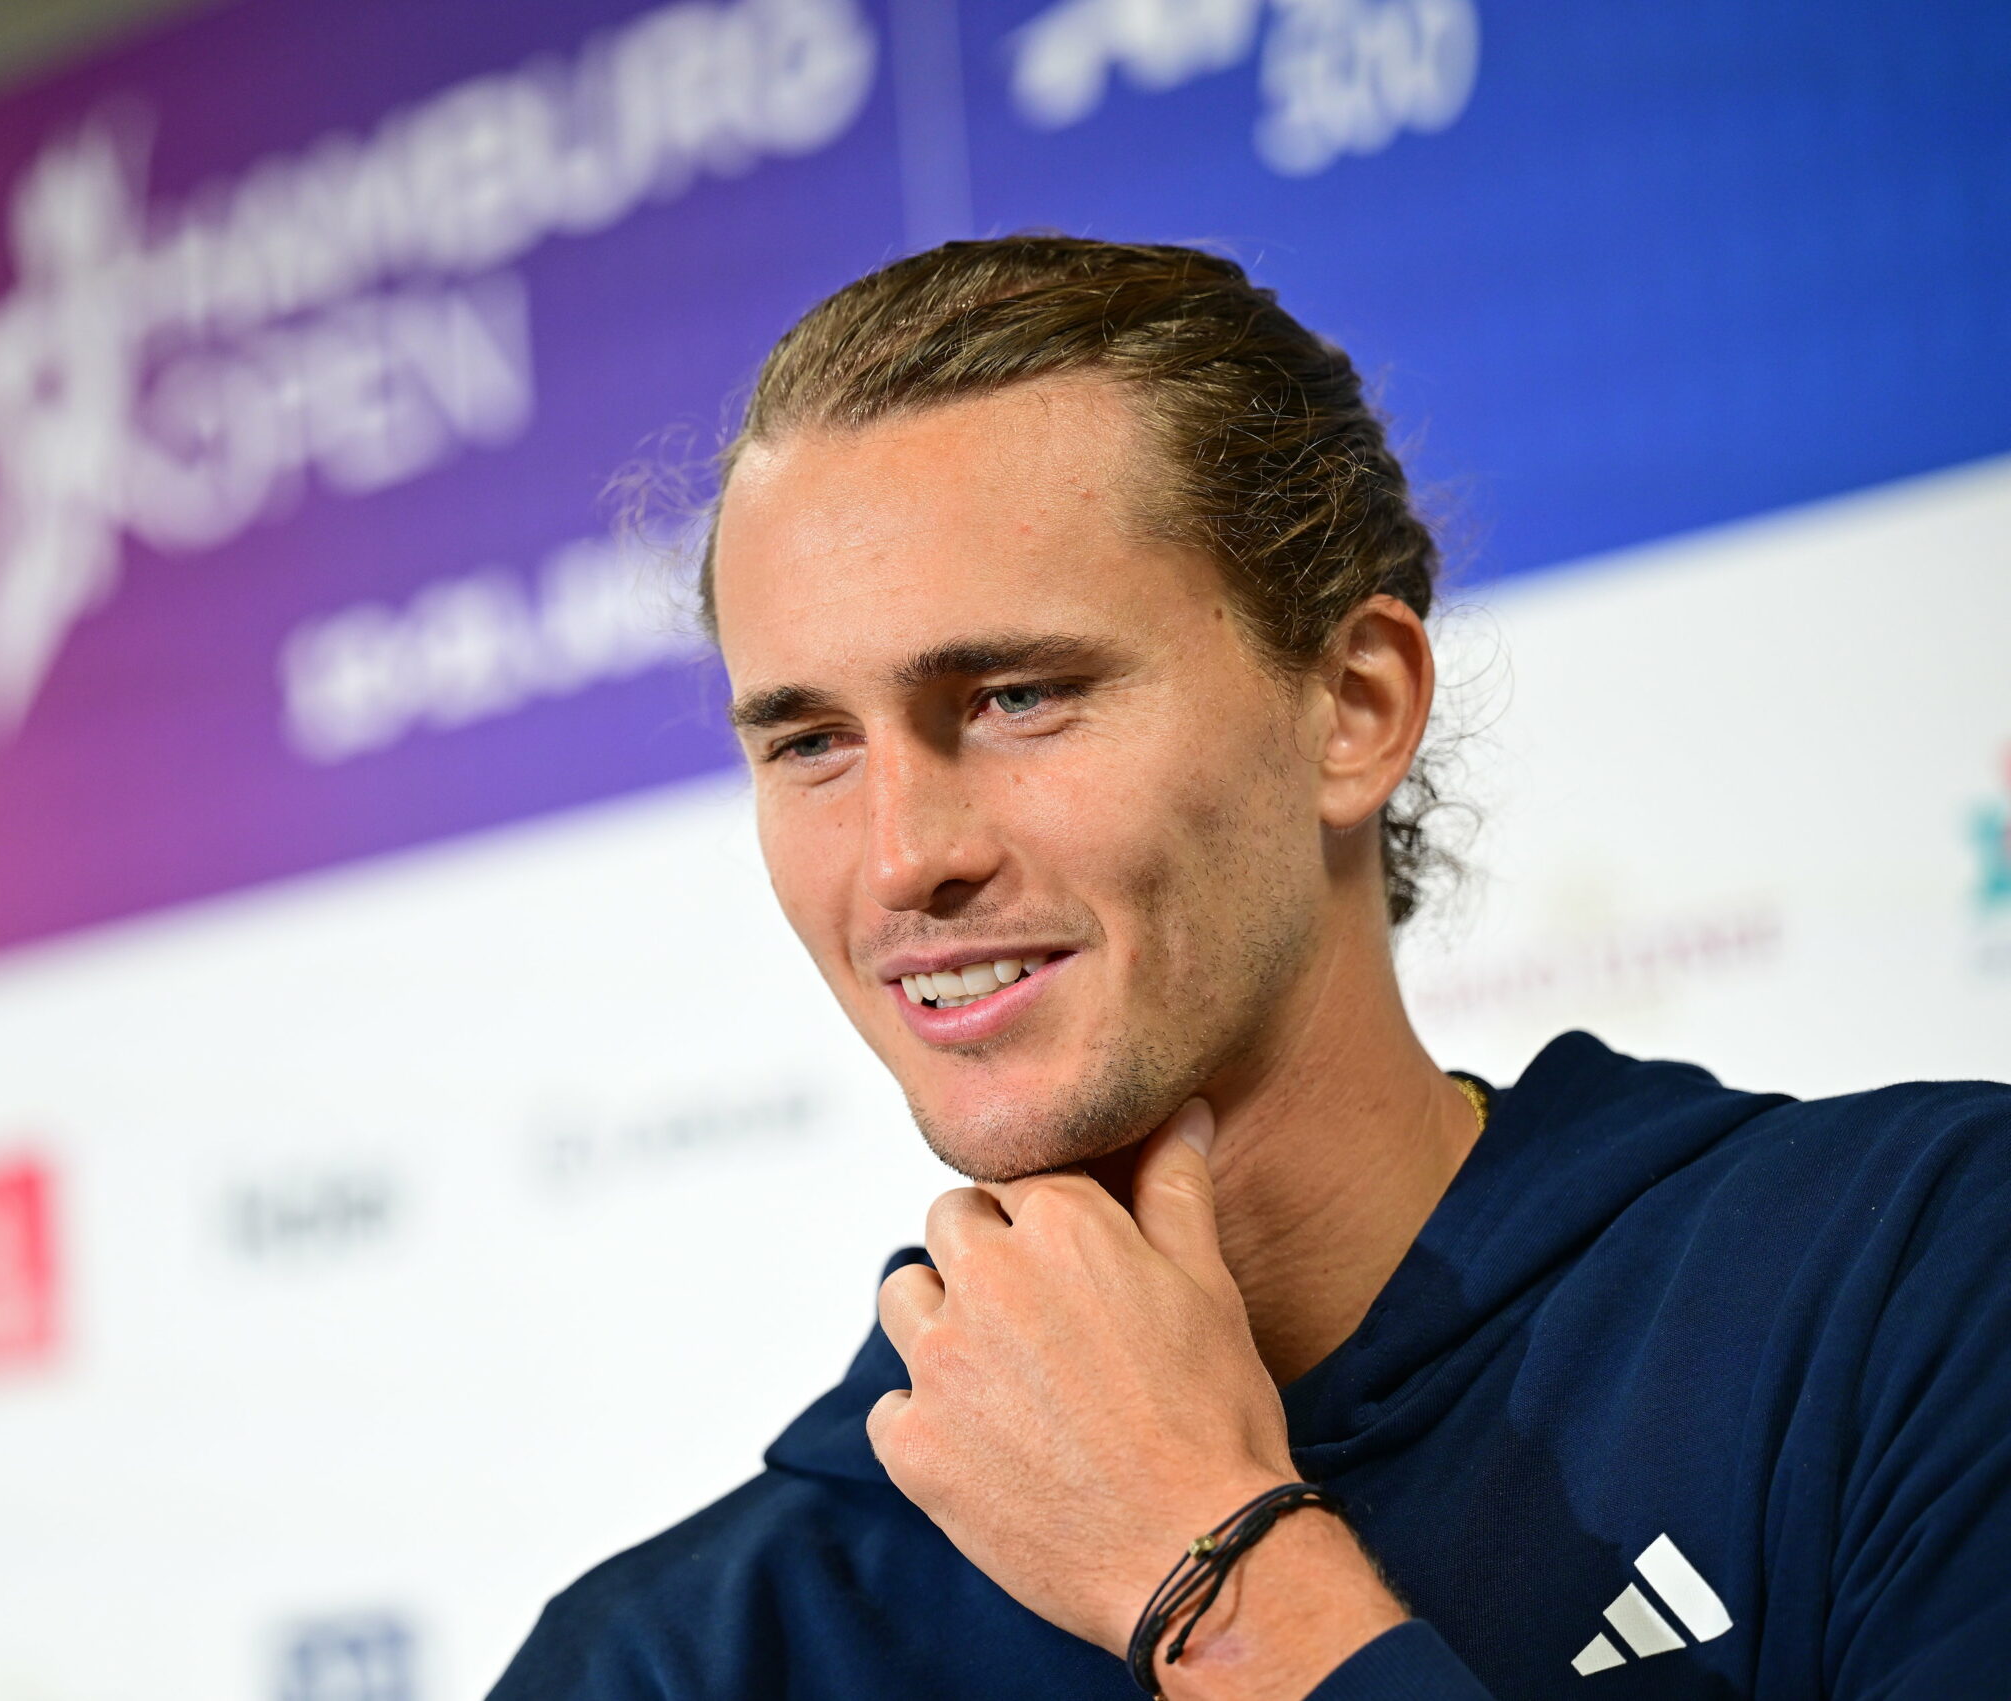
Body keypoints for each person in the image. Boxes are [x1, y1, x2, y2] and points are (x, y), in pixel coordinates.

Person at [486, 238, 2011, 1699]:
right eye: (812, 741)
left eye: (1018, 695)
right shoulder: (672, 1661)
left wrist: (1200, 1562)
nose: (899, 859)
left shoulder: (1915, 1288)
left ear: (1353, 705)